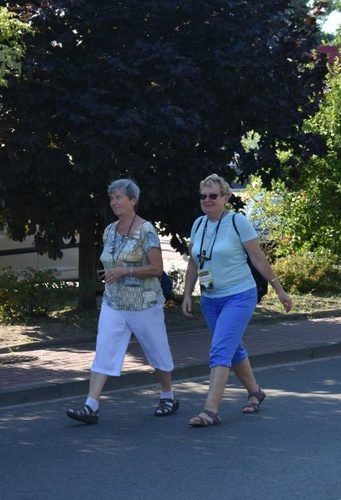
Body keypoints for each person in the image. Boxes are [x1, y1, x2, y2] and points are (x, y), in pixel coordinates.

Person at [182, 174, 292, 427]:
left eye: (213, 195)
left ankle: (211, 410)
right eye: (203, 196)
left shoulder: (237, 222)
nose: (207, 200)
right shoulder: (198, 224)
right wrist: (187, 294)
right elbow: (193, 263)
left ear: (225, 198)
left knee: (220, 349)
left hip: (239, 296)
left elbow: (258, 259)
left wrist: (280, 290)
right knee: (233, 349)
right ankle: (255, 392)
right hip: (210, 299)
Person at [66, 179, 178, 424]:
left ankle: (168, 396)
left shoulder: (146, 230)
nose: (114, 202)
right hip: (114, 302)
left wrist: (125, 271)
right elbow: (109, 262)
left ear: (133, 200)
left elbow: (157, 268)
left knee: (156, 348)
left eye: (119, 197)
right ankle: (91, 406)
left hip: (144, 303)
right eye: (111, 198)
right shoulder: (109, 230)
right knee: (104, 350)